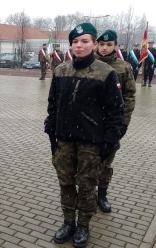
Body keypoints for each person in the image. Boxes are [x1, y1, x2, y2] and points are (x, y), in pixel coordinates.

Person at [44, 23, 124, 247]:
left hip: (91, 142)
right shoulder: (61, 70)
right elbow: (53, 105)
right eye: (76, 41)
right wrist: (51, 130)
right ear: (71, 45)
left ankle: (83, 226)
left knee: (87, 185)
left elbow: (115, 111)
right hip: (65, 140)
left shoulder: (106, 72)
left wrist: (109, 140)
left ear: (94, 44)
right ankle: (68, 222)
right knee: (66, 183)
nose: (79, 45)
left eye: (85, 41)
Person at [95, 29, 136, 213]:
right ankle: (85, 195)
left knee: (106, 161)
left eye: (108, 44)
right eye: (101, 44)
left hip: (111, 124)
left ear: (115, 45)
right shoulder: (88, 64)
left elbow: (129, 96)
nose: (104, 48)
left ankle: (102, 195)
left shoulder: (123, 67)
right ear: (96, 44)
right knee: (85, 161)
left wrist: (124, 123)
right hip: (89, 123)